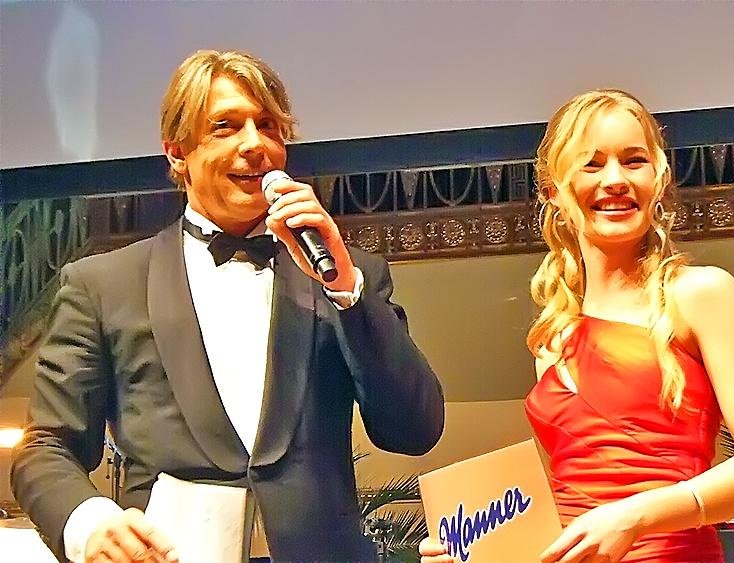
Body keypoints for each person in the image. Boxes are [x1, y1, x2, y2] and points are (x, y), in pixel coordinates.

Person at [11, 49, 445, 563]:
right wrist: (90, 523)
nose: (255, 145)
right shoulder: (104, 285)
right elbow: (47, 447)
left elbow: (415, 429)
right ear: (177, 153)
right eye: (225, 126)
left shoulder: (348, 277)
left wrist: (346, 289)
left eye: (268, 126)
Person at [420, 89, 734, 562]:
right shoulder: (553, 337)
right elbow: (576, 511)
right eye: (592, 164)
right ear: (554, 192)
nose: (615, 180)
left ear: (658, 179)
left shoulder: (700, 294)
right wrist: (476, 549)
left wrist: (635, 516)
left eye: (634, 161)